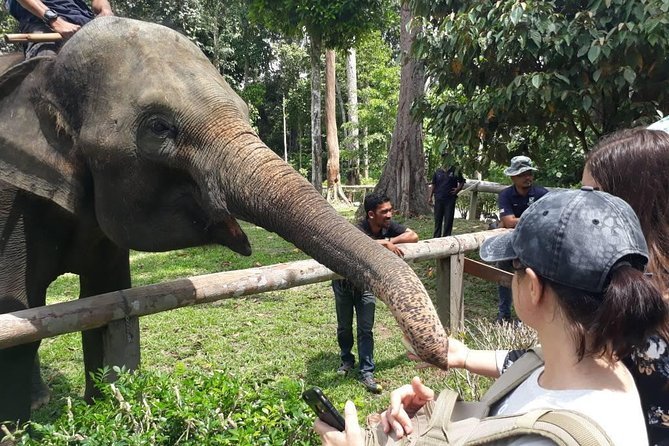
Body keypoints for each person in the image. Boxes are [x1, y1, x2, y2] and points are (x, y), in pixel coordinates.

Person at [315, 187, 667, 445]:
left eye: (512, 267)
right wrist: (439, 416)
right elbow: (512, 413)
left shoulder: (553, 439)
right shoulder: (600, 365)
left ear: (532, 288)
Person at [420, 128, 669, 445]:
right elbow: (564, 353)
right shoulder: (628, 295)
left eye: (593, 193)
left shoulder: (637, 308)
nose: (581, 202)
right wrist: (465, 356)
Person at [332, 193, 418, 394]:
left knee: (365, 328)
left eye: (390, 210)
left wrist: (389, 240)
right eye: (384, 212)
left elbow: (413, 236)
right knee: (344, 327)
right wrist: (383, 244)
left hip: (367, 286)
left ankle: (367, 370)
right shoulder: (357, 228)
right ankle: (346, 360)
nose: (389, 215)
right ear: (371, 214)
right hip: (343, 284)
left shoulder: (387, 227)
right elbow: (354, 244)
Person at [495, 155, 548, 323]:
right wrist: (534, 217)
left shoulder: (542, 194)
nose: (527, 177)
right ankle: (504, 314)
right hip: (509, 244)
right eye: (522, 174)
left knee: (531, 278)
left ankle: (526, 317)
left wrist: (518, 220)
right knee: (503, 274)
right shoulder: (505, 194)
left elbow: (548, 220)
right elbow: (508, 222)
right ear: (512, 177)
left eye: (529, 173)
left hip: (534, 246)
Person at [4, 0, 113, 58]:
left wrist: (105, 9)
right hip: (41, 23)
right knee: (45, 63)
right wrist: (55, 21)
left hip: (84, 23)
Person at [429, 151, 465, 238]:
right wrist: (430, 197)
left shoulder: (455, 170)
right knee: (438, 220)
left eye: (447, 157)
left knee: (448, 220)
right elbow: (433, 184)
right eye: (443, 157)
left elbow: (462, 181)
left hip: (450, 199)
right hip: (439, 198)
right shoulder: (437, 171)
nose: (445, 159)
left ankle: (446, 238)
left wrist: (458, 189)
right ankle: (436, 238)